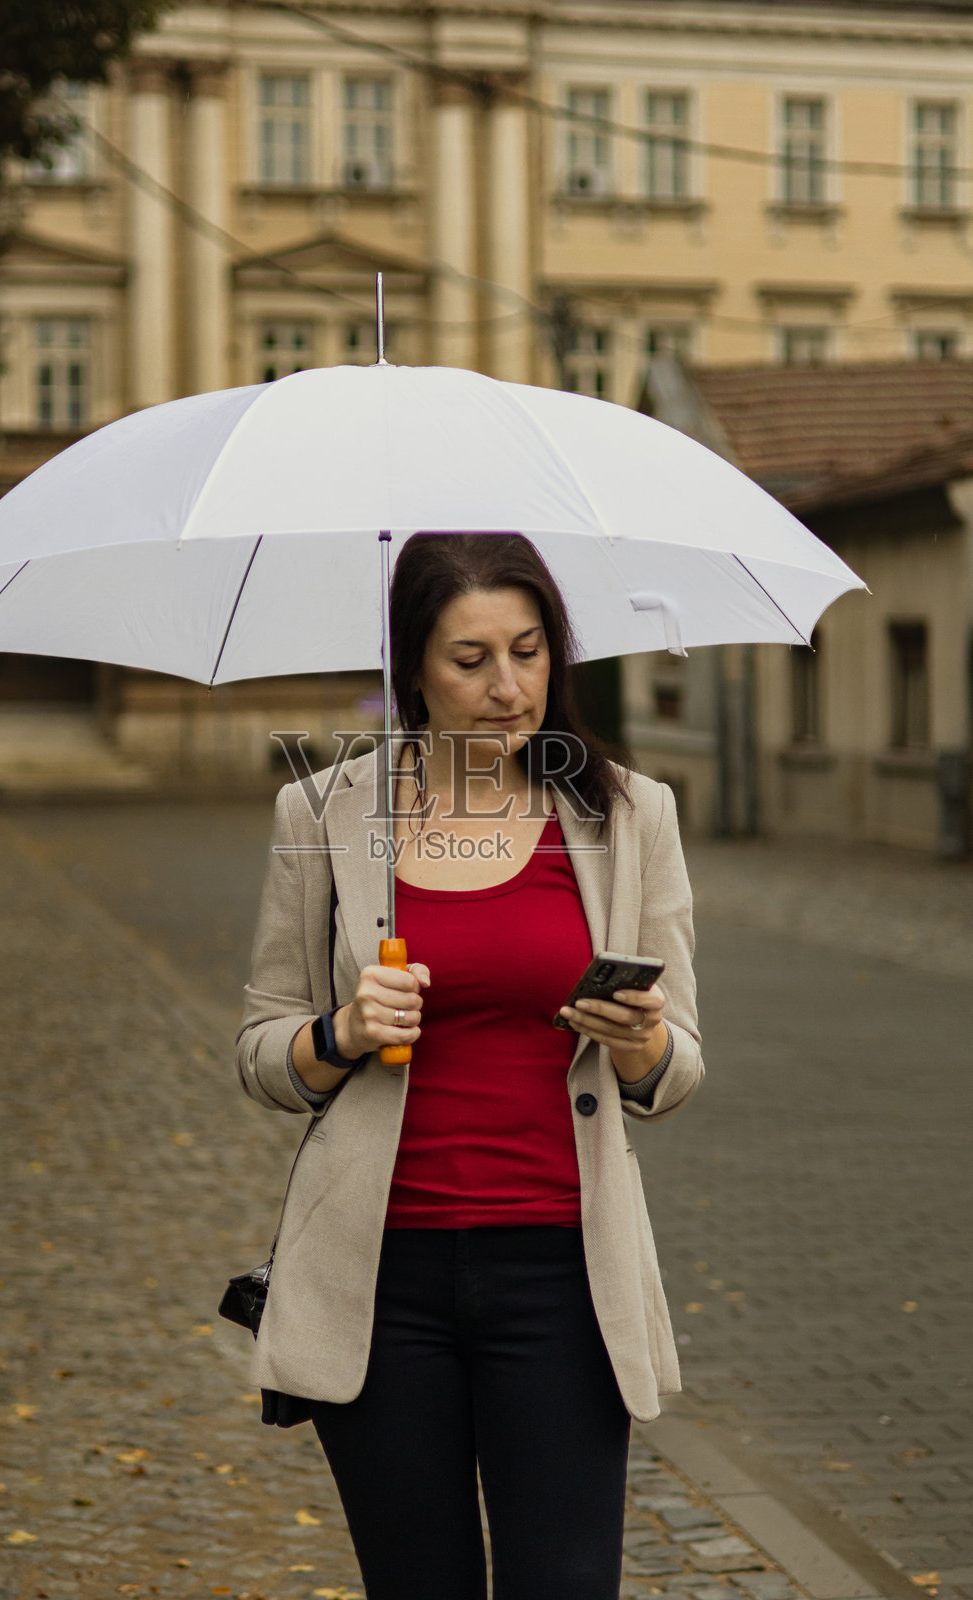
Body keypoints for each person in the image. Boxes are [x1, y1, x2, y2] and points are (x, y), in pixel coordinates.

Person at [236, 532, 704, 1600]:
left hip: (563, 1274)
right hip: (379, 1277)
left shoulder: (628, 816)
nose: (508, 688)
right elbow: (261, 1049)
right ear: (411, 669)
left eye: (529, 651)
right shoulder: (320, 814)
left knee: (565, 1581)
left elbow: (676, 1069)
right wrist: (338, 1035)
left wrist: (637, 1041)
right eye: (470, 659)